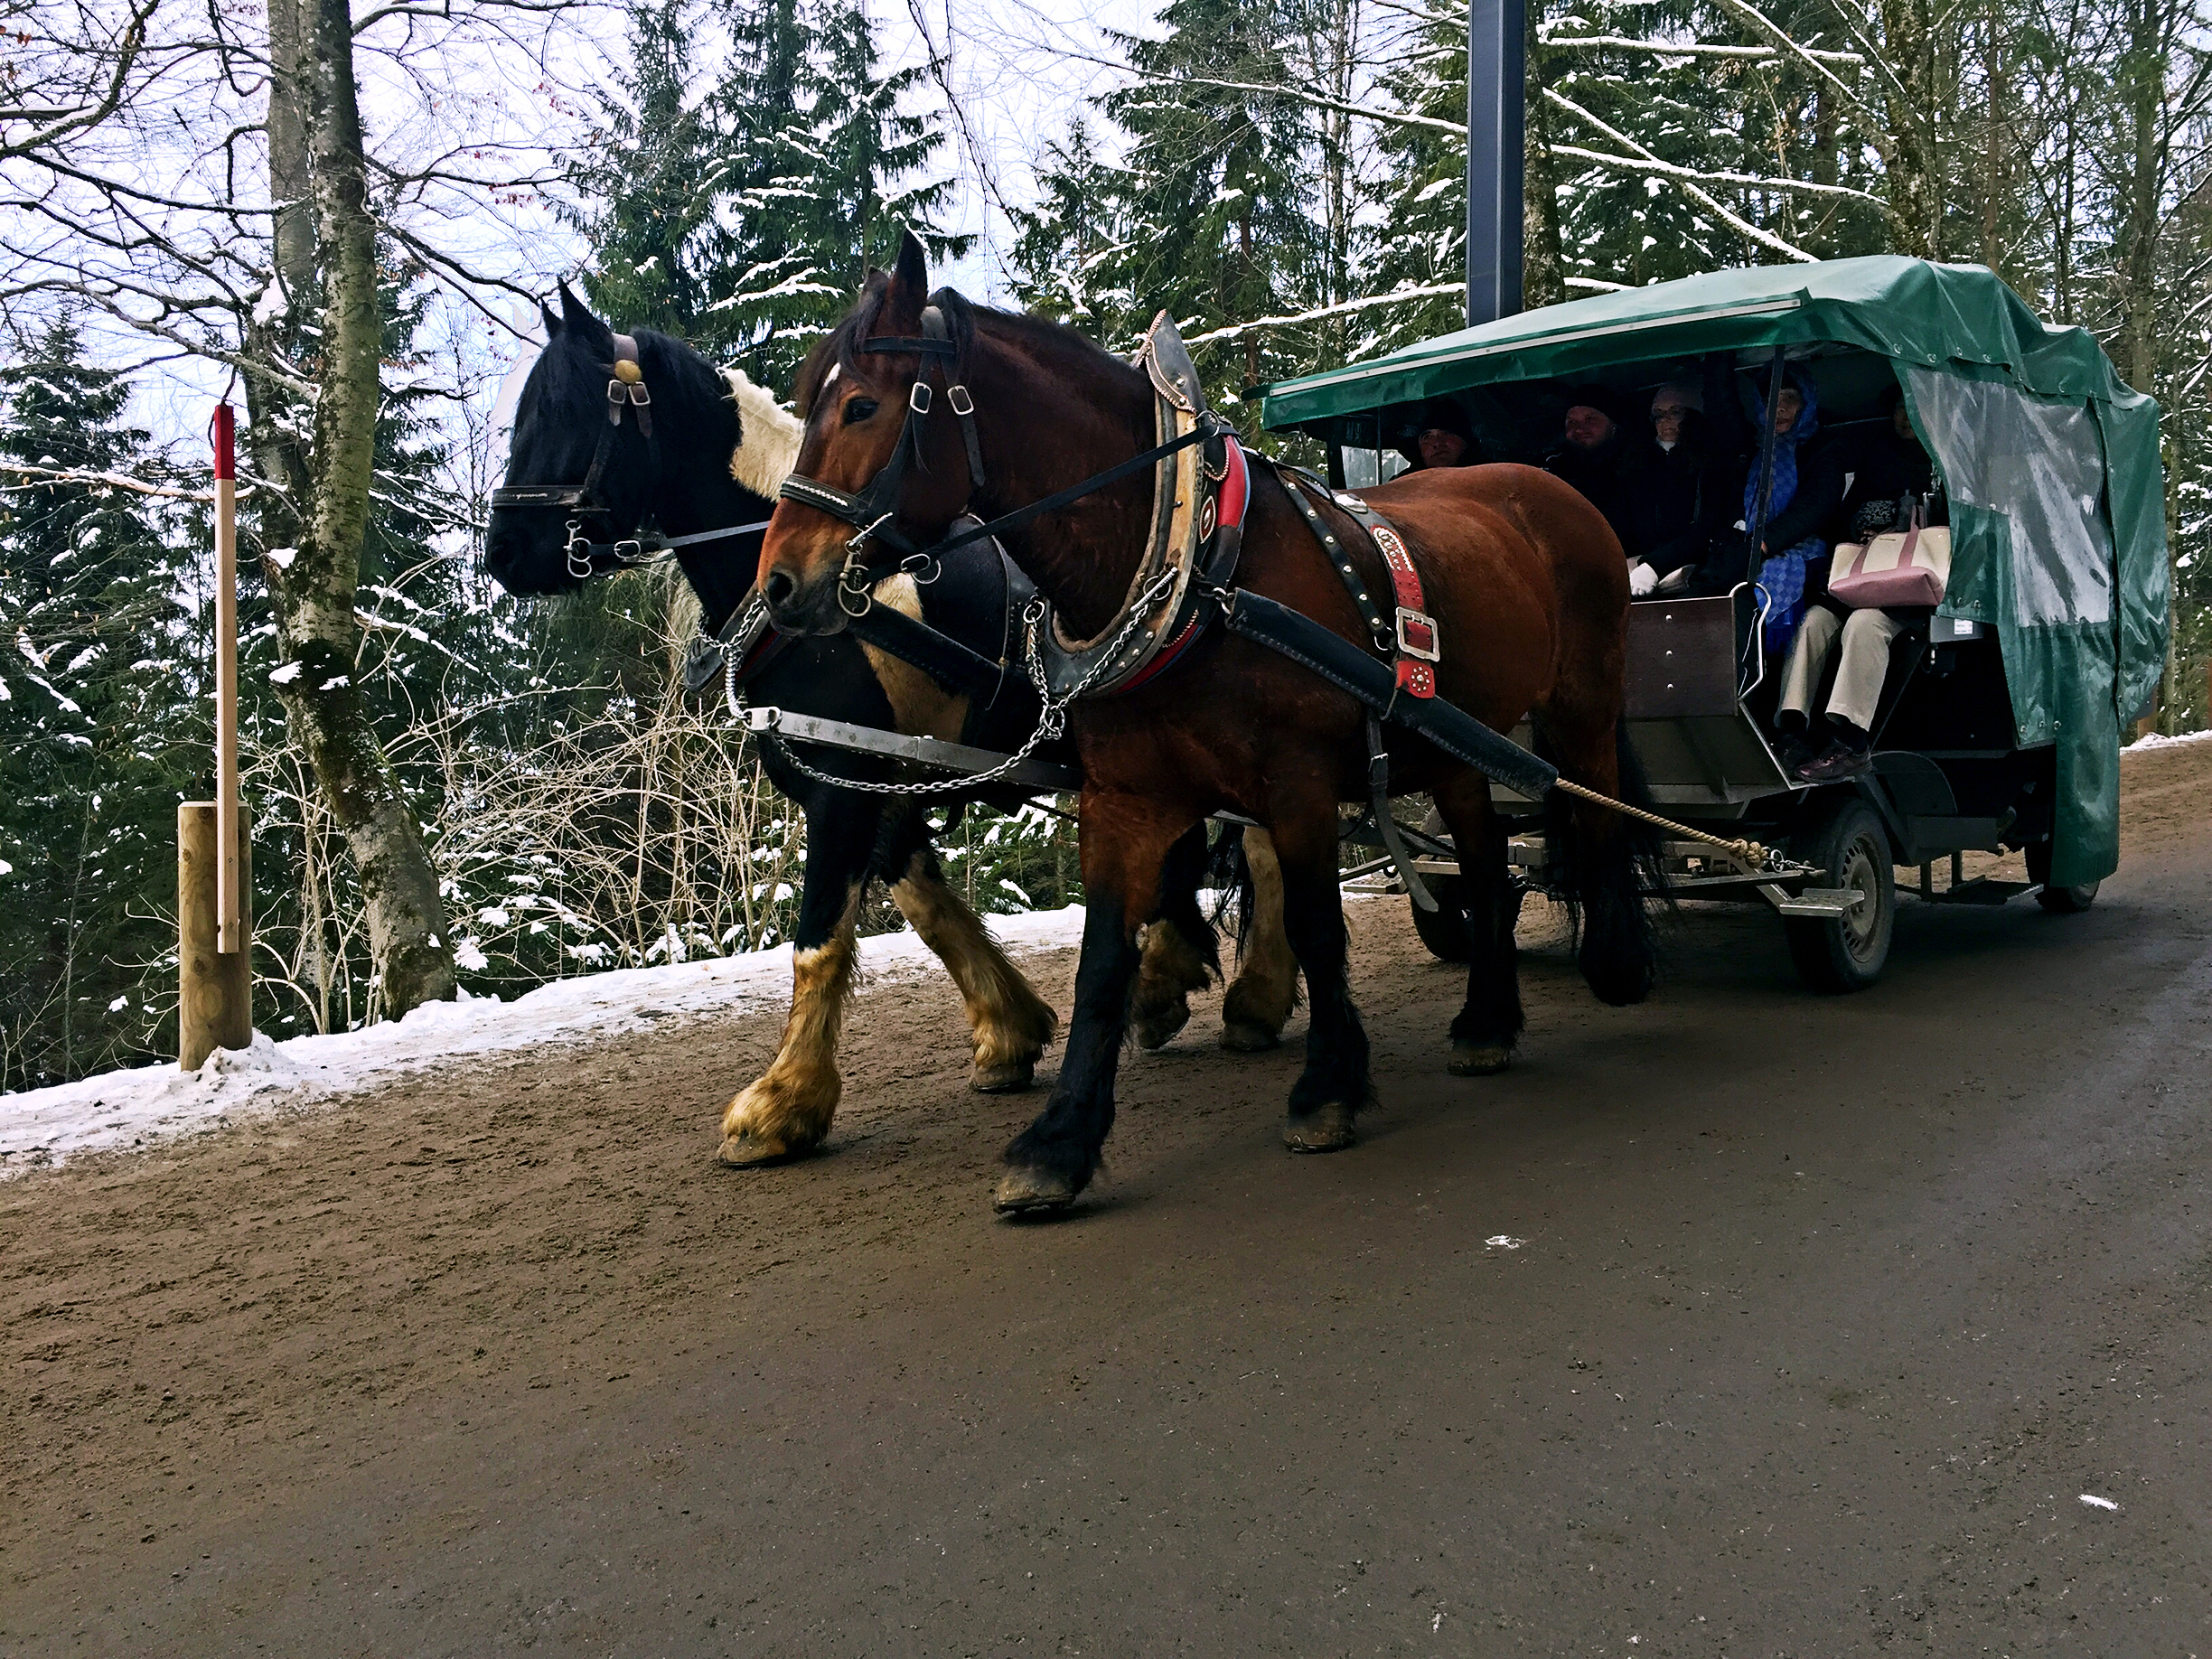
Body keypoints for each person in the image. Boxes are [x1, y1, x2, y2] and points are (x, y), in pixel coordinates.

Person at [1773, 382, 1944, 783]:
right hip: (1859, 577)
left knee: (1865, 625)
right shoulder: (1871, 458)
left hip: (1906, 591)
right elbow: (1840, 520)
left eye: (1913, 408)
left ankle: (1852, 744)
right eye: (1900, 407)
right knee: (1814, 621)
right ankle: (1792, 732)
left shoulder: (1940, 469)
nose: (1905, 417)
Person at [1622, 380, 1729, 597]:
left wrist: (1655, 564)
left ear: (1692, 415)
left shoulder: (1712, 465)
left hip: (1693, 566)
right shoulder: (1636, 463)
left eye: (1675, 412)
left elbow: (1709, 525)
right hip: (1641, 565)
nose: (1665, 420)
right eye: (1658, 415)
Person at [1544, 386, 1636, 554]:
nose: (1579, 429)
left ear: (1613, 424)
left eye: (1590, 419)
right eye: (1572, 422)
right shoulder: (1554, 469)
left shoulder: (1637, 465)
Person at [1397, 398, 1479, 471]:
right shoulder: (1404, 481)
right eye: (1428, 437)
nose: (1437, 443)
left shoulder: (1485, 475)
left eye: (1446, 434)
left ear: (1465, 442)